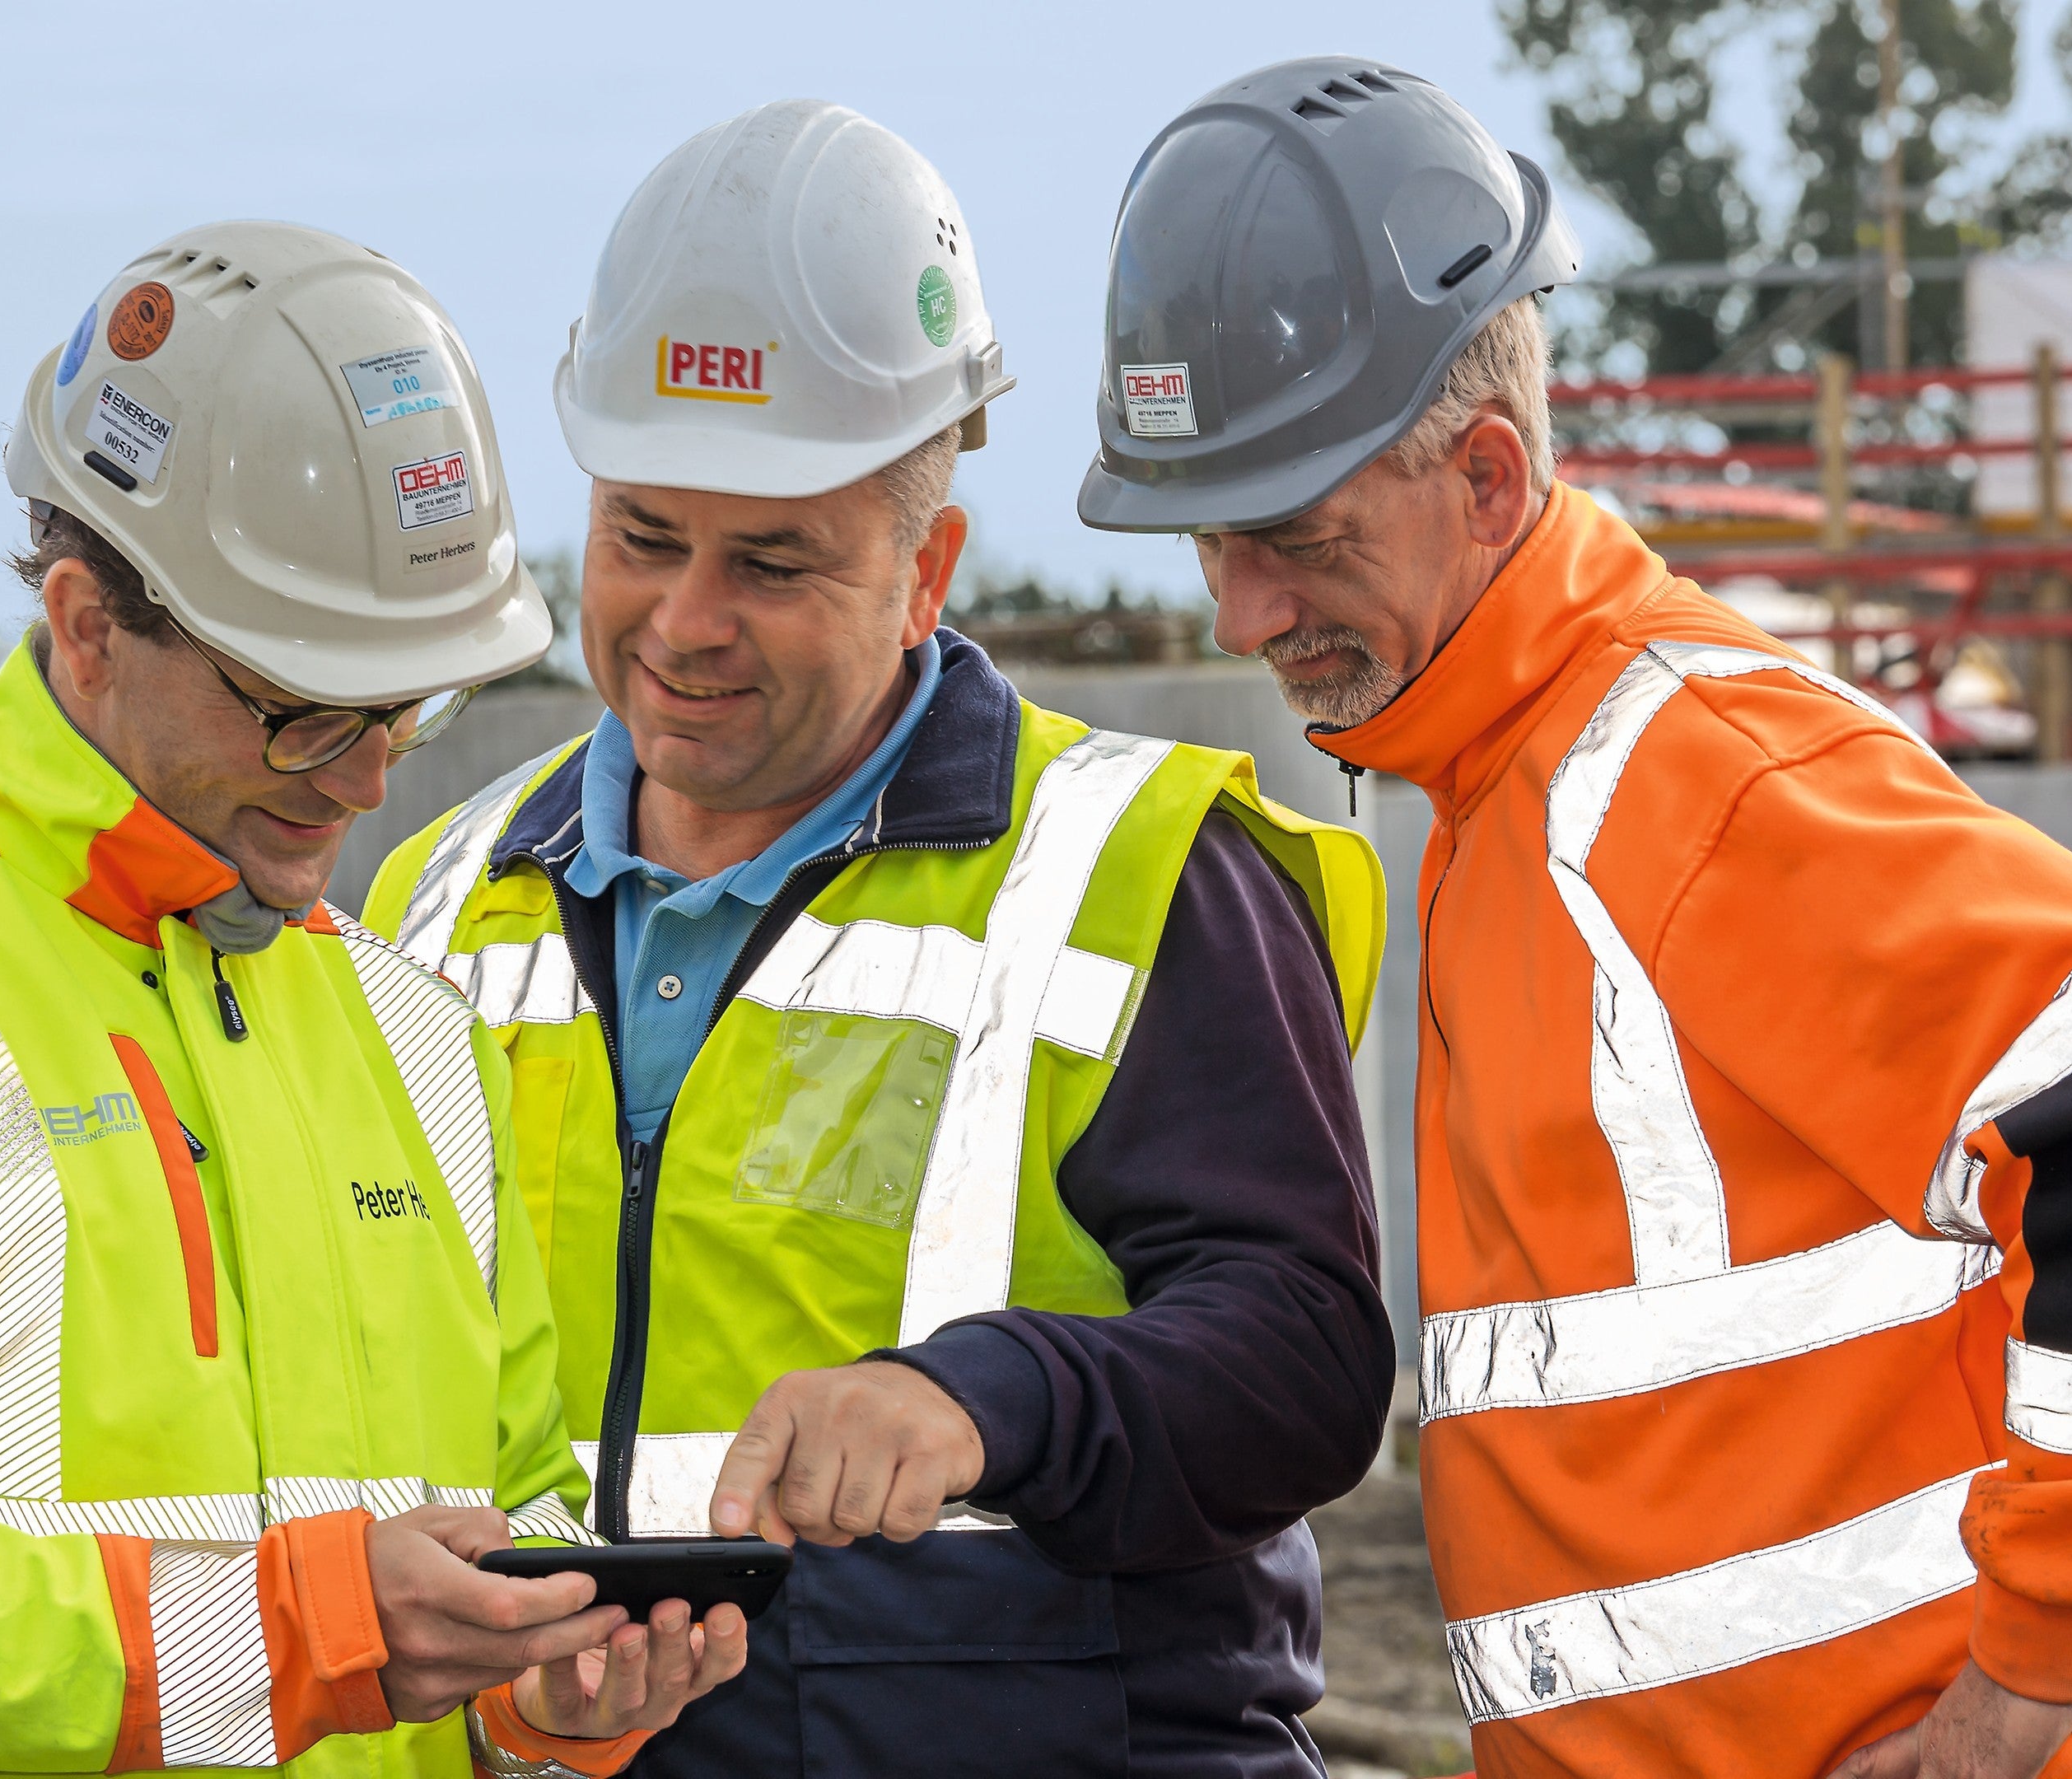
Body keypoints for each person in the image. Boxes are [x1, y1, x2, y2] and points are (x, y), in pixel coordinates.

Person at [1079, 56, 2072, 1779]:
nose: (1242, 608)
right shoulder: (1510, 802)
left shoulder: (1671, 774)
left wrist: (2015, 1691)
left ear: (1489, 481)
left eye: (1294, 538)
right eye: (1208, 540)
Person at [0, 222, 746, 1779]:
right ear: (88, 626)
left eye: (408, 709)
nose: (372, 780)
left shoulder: (411, 1031)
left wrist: (536, 1703)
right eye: (307, 712)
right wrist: (305, 1632)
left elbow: (504, 1509)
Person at [363, 100, 1395, 1779]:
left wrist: (984, 1401)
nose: (685, 623)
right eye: (641, 539)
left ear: (928, 573)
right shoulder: (433, 905)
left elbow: (1304, 1361)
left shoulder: (1137, 866)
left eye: (771, 562)